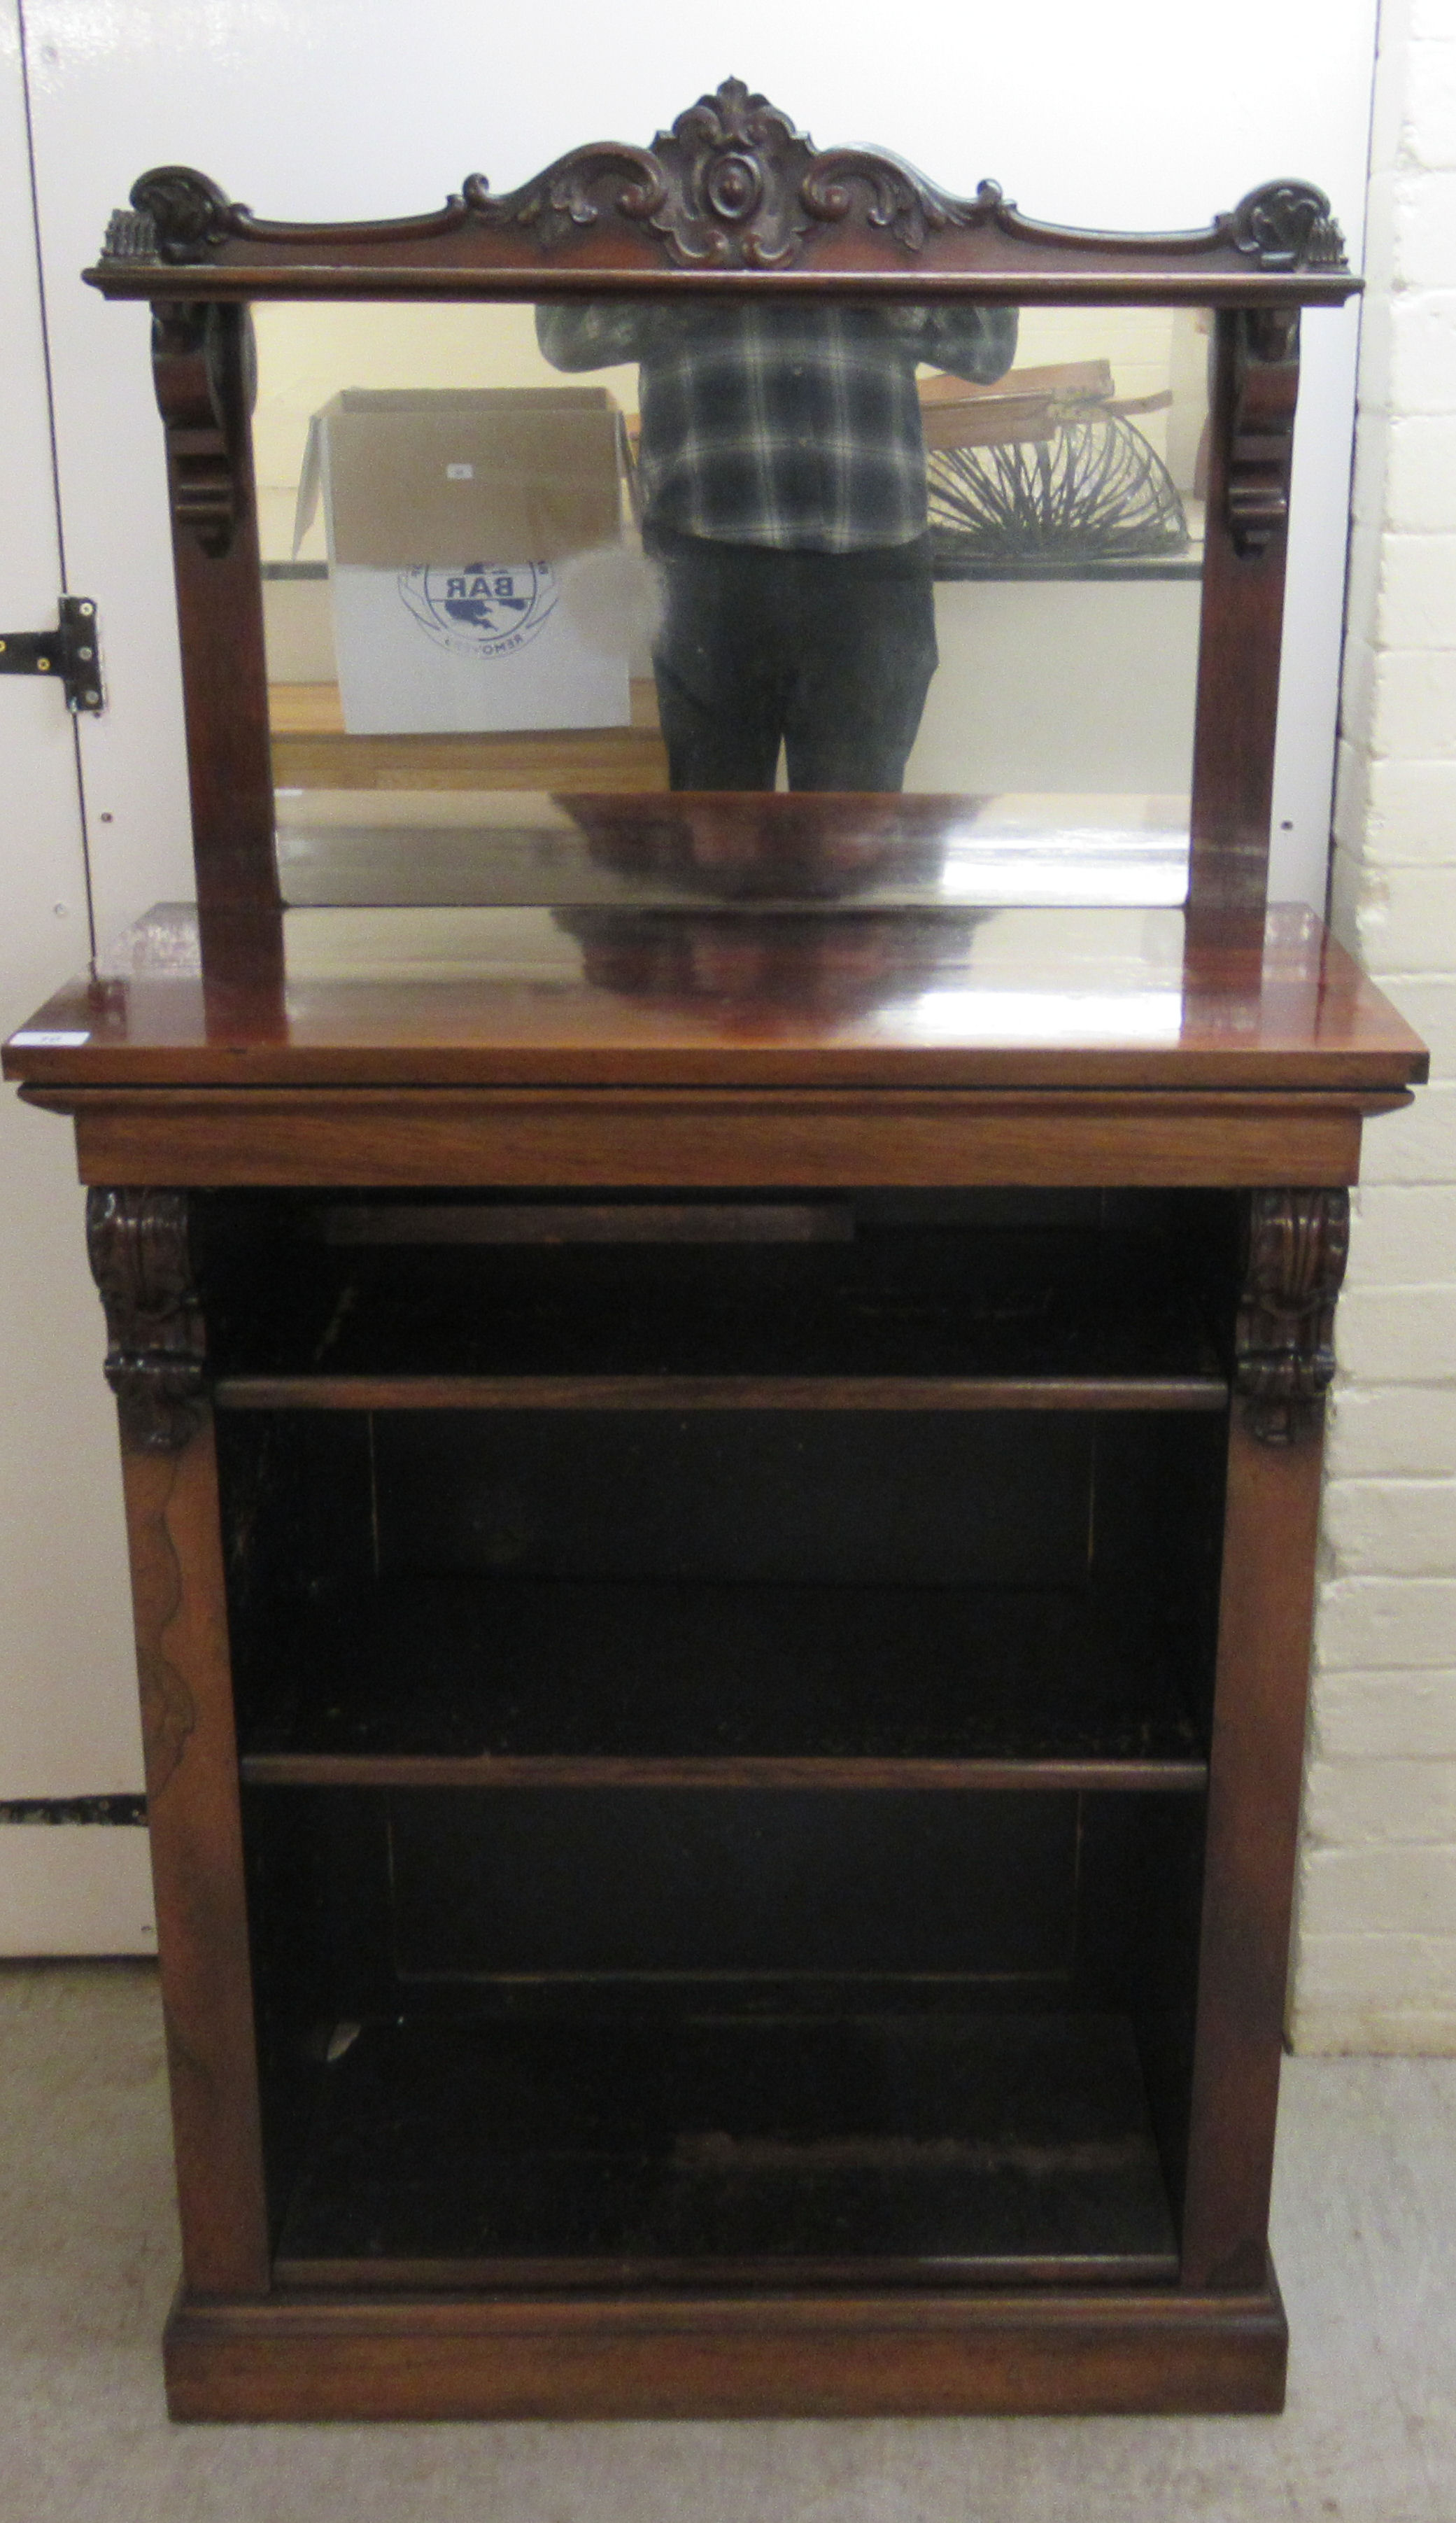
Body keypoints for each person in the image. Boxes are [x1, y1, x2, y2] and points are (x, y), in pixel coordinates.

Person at [537, 298, 1017, 791]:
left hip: (870, 554)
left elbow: (987, 350)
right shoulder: (662, 218)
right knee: (718, 835)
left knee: (854, 836)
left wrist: (860, 269)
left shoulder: (905, 217)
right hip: (705, 550)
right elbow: (566, 337)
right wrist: (713, 265)